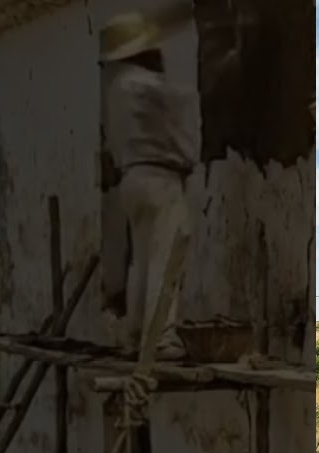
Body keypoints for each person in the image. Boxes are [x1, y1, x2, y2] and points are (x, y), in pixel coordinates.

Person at [101, 9, 197, 361]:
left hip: (131, 178)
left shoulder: (116, 88)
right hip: (160, 178)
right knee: (165, 256)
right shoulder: (147, 85)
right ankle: (162, 338)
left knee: (140, 261)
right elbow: (186, 107)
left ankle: (135, 333)